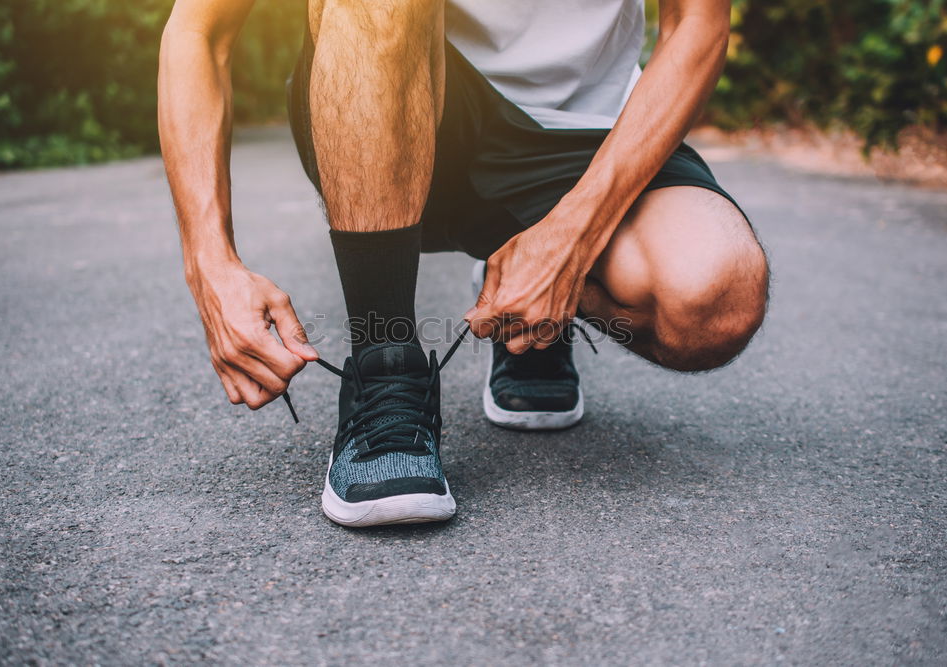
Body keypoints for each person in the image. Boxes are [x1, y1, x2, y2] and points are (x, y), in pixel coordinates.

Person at [158, 0, 769, 527]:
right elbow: (198, 32)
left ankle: (530, 306)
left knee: (713, 302)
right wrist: (209, 264)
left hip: (591, 135)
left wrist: (570, 239)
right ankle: (385, 362)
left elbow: (699, 24)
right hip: (394, 107)